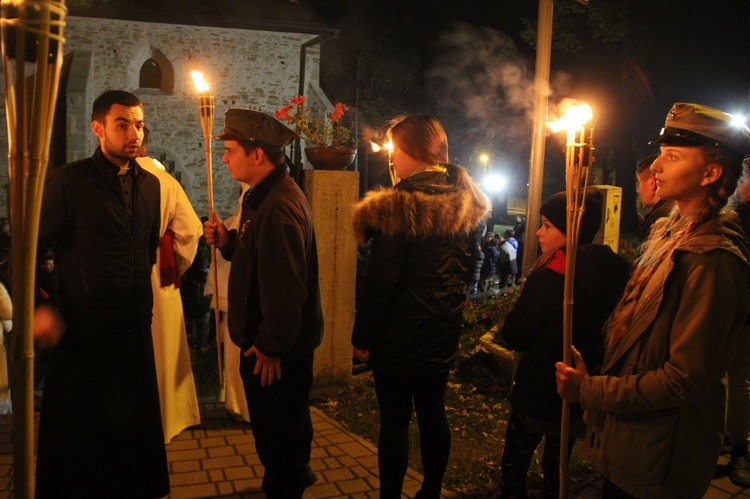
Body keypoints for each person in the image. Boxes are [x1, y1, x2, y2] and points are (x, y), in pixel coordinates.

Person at [556, 102, 750, 498]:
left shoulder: (711, 261)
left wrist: (592, 391)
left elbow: (684, 380)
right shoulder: (667, 230)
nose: (656, 167)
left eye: (673, 157)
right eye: (660, 154)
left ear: (711, 173)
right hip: (633, 442)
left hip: (662, 457)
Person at [33, 90, 169, 496]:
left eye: (139, 124)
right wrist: (42, 307)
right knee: (84, 450)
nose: (134, 133)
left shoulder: (151, 187)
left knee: (132, 442)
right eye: (122, 124)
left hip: (132, 330)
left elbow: (145, 252)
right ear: (98, 128)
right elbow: (30, 251)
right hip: (83, 334)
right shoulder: (68, 182)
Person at [351, 114, 489, 498]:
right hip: (441, 330)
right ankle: (430, 491)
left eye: (395, 149)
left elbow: (383, 281)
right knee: (433, 413)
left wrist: (362, 336)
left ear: (413, 151)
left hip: (397, 335)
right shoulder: (464, 199)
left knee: (394, 422)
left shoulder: (400, 204)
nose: (391, 158)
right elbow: (472, 264)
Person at [203, 108, 323, 498]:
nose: (224, 157)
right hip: (275, 348)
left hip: (274, 356)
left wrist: (271, 348)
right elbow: (263, 260)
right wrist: (229, 241)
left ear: (257, 155)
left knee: (277, 447)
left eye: (231, 149)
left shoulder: (279, 207)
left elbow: (288, 291)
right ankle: (296, 471)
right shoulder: (264, 196)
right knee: (286, 436)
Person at [498, 187, 630, 498]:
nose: (539, 232)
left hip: (537, 392)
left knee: (515, 465)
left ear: (570, 229)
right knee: (558, 467)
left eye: (547, 225)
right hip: (577, 393)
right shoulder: (616, 272)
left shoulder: (553, 278)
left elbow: (516, 334)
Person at [137, 126, 203, 443]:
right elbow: (191, 230)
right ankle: (169, 417)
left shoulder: (108, 178)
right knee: (162, 344)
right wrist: (175, 264)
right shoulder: (167, 181)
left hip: (119, 273)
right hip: (158, 276)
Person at [205, 182, 251, 423]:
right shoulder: (248, 197)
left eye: (232, 153)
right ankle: (238, 403)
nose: (225, 160)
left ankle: (245, 407)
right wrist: (225, 238)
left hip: (247, 298)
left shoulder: (265, 198)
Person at [726, 166, 750, 487]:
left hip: (746, 314)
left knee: (741, 378)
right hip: (725, 308)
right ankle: (724, 437)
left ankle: (740, 447)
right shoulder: (731, 215)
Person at [636, 152, 676, 241]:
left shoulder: (660, 218)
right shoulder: (675, 209)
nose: (638, 190)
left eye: (639, 183)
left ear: (652, 182)